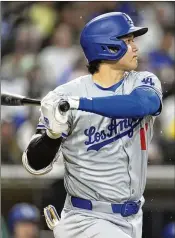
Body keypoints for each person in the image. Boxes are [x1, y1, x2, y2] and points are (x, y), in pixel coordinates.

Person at [22, 12, 162, 238]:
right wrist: (52, 133)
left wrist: (79, 104)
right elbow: (34, 164)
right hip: (86, 219)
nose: (135, 47)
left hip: (133, 217)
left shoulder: (142, 81)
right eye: (128, 41)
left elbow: (141, 104)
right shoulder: (65, 94)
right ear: (108, 46)